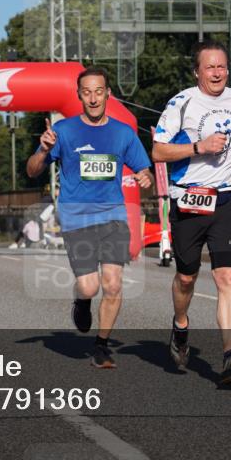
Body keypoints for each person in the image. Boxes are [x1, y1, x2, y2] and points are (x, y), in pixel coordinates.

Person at [26, 68, 152, 368]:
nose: (93, 98)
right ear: (78, 94)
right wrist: (43, 150)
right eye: (87, 92)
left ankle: (102, 345)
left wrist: (145, 176)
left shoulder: (123, 132)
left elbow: (143, 169)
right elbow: (32, 171)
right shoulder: (64, 131)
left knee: (113, 284)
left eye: (99, 91)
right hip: (77, 218)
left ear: (108, 93)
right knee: (89, 286)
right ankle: (81, 302)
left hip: (113, 217)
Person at [151, 42, 231, 386]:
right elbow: (159, 150)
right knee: (186, 277)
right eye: (210, 67)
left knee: (228, 278)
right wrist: (198, 147)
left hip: (226, 199)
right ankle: (180, 325)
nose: (216, 73)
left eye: (222, 67)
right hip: (190, 201)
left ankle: (229, 356)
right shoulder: (181, 103)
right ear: (197, 71)